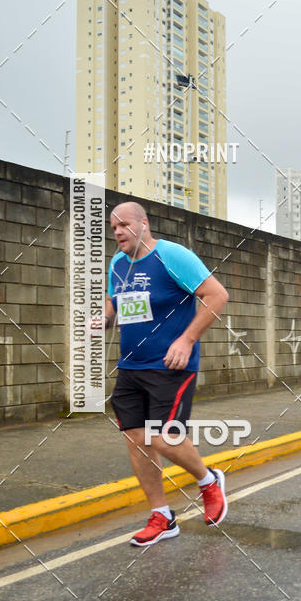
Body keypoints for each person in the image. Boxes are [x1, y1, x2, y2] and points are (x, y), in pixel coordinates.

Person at [93, 202, 230, 546]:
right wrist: (103, 319)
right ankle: (162, 516)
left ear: (144, 224)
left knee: (162, 437)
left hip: (170, 365)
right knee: (137, 441)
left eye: (124, 225)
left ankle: (208, 480)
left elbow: (216, 295)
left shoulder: (172, 256)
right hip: (130, 366)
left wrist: (186, 340)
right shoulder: (118, 263)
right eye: (114, 228)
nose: (118, 232)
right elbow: (116, 300)